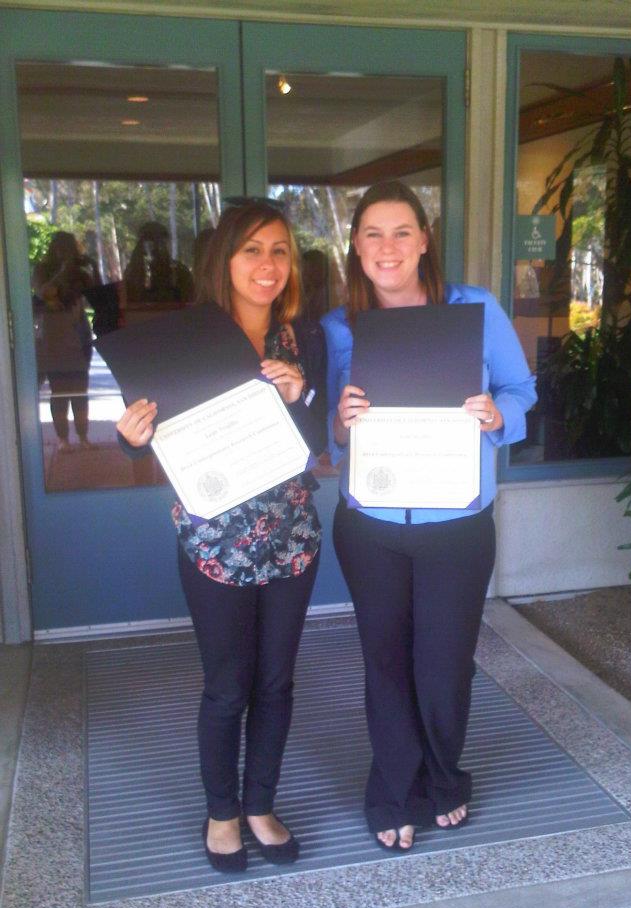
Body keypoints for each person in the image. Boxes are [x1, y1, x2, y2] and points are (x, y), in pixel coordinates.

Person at [321, 181, 537, 852]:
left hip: (457, 525)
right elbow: (330, 436)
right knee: (385, 663)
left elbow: (520, 390)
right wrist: (340, 421)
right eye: (373, 234)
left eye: (402, 232)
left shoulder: (474, 309)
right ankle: (393, 789)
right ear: (355, 247)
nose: (388, 247)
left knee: (443, 665)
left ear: (424, 239)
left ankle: (443, 777)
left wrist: (499, 417)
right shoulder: (337, 327)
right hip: (372, 527)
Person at [116, 199, 327, 872]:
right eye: (252, 250)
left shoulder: (303, 340)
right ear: (224, 261)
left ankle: (261, 805)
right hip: (215, 545)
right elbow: (154, 441)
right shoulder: (184, 341)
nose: (268, 265)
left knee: (277, 683)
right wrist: (131, 441)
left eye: (279, 251)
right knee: (227, 686)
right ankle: (222, 813)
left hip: (291, 537)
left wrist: (305, 397)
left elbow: (320, 445)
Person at [32, 231, 100, 451]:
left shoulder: (79, 273)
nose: (65, 252)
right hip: (54, 338)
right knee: (59, 390)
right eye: (60, 248)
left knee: (80, 388)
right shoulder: (42, 271)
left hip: (78, 336)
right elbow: (42, 292)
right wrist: (62, 271)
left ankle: (83, 436)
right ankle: (63, 439)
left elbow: (98, 296)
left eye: (69, 248)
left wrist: (94, 268)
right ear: (53, 249)